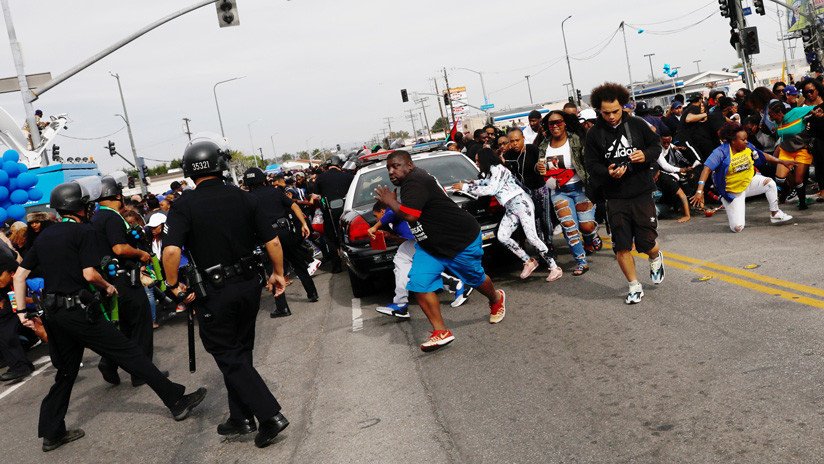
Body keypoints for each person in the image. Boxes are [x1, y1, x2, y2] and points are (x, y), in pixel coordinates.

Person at [15, 181, 206, 452]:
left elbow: (20, 275)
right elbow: (89, 274)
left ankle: (51, 431)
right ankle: (176, 401)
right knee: (130, 352)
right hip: (78, 311)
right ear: (78, 207)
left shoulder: (44, 236)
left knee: (66, 373)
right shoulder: (83, 232)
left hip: (54, 314)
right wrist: (107, 286)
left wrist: (23, 312)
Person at [162, 135, 289, 448]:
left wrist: (173, 285)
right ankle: (240, 417)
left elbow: (171, 252)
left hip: (215, 291)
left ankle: (269, 416)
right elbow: (272, 241)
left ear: (189, 171)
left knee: (227, 354)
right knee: (241, 350)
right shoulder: (245, 197)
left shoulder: (183, 205)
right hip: (248, 285)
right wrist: (278, 273)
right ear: (220, 166)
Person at [373, 151, 506, 352]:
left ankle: (496, 298)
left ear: (409, 165)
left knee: (475, 278)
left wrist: (389, 201)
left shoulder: (414, 181)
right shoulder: (409, 182)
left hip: (459, 242)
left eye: (396, 166)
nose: (391, 171)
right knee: (419, 283)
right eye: (388, 168)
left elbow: (410, 215)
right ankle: (440, 331)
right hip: (430, 246)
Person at [583, 82, 666, 305]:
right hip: (615, 197)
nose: (611, 116)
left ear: (623, 106)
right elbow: (591, 164)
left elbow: (656, 146)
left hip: (641, 192)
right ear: (599, 111)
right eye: (605, 112)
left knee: (646, 243)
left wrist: (645, 155)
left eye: (615, 111)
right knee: (621, 245)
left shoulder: (637, 124)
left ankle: (655, 256)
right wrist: (607, 172)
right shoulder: (594, 134)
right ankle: (634, 285)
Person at [454, 148, 561, 281]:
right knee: (502, 236)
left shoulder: (498, 169)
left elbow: (491, 189)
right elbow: (485, 182)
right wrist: (470, 183)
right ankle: (528, 261)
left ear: (484, 160)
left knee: (532, 237)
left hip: (522, 204)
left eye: (478, 160)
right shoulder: (491, 172)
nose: (476, 163)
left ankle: (554, 268)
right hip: (511, 207)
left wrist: (465, 187)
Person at [92, 175, 159, 387]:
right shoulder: (112, 218)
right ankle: (142, 374)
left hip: (109, 281)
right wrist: (141, 254)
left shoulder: (95, 218)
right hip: (125, 279)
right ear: (118, 196)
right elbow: (119, 248)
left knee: (126, 328)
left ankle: (109, 362)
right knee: (141, 326)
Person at [368, 202, 472, 317]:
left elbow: (392, 213)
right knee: (411, 268)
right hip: (420, 240)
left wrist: (374, 227)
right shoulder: (392, 221)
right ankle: (456, 285)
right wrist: (391, 236)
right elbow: (406, 239)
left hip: (428, 238)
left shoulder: (392, 211)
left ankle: (401, 304)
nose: (376, 219)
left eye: (376, 215)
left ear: (382, 211)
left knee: (406, 263)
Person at [690, 122, 793, 231]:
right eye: (743, 140)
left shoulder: (747, 146)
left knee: (770, 183)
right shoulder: (720, 152)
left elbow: (762, 154)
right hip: (733, 191)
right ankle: (727, 200)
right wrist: (699, 191)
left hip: (749, 182)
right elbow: (706, 169)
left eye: (746, 139)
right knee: (737, 228)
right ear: (733, 141)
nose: (746, 141)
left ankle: (775, 213)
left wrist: (781, 161)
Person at [243, 167, 318, 313]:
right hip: (285, 232)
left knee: (273, 271)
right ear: (263, 179)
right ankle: (312, 293)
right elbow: (294, 205)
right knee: (298, 264)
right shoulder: (275, 191)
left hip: (266, 238)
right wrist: (303, 223)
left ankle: (282, 307)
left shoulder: (247, 198)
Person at [537, 111, 601, 274]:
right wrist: (538, 167)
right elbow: (541, 167)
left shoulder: (576, 139)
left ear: (565, 123)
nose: (555, 126)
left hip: (580, 188)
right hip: (559, 191)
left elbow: (589, 160)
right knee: (569, 226)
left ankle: (590, 237)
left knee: (586, 227)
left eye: (558, 122)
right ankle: (581, 262)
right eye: (551, 123)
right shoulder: (544, 145)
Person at [766, 100, 815, 209]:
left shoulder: (796, 112)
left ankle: (802, 202)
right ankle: (788, 189)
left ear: (780, 113)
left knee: (798, 180)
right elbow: (782, 134)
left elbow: (815, 108)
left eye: (771, 115)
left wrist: (814, 114)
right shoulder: (777, 121)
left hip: (802, 149)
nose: (770, 118)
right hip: (786, 150)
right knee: (780, 178)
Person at [314, 155, 354, 273]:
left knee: (331, 239)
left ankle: (336, 266)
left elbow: (315, 196)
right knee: (348, 236)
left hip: (329, 213)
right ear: (339, 165)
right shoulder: (348, 176)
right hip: (348, 212)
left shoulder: (320, 178)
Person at [0, 245, 32, 382]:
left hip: (18, 297)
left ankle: (20, 366)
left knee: (5, 330)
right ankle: (20, 364)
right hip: (10, 298)